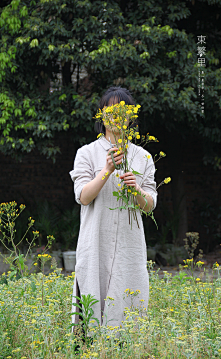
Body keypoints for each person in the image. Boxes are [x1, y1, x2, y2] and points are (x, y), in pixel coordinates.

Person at [69, 86, 157, 331]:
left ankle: (125, 347)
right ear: (101, 115)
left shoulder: (143, 157)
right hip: (95, 240)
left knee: (129, 297)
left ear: (131, 117)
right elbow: (83, 197)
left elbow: (150, 205)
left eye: (123, 110)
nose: (117, 115)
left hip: (130, 243)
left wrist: (137, 191)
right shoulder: (86, 153)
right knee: (92, 297)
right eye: (111, 109)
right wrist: (107, 170)